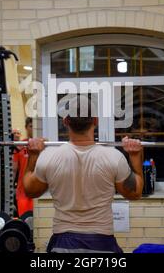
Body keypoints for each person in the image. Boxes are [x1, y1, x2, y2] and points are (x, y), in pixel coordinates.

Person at [23, 95, 143, 253]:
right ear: (95, 121)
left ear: (65, 121)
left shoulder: (49, 157)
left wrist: (33, 154)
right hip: (101, 242)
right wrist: (135, 156)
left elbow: (30, 190)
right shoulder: (113, 157)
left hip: (63, 243)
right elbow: (135, 193)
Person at [13, 117, 34, 217]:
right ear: (26, 128)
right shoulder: (20, 146)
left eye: (35, 126)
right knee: (25, 222)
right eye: (31, 126)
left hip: (38, 191)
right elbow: (13, 170)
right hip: (23, 193)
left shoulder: (44, 145)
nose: (33, 128)